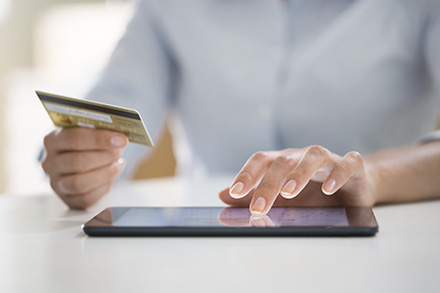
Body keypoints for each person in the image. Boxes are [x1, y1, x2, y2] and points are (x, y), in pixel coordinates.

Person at [41, 0, 440, 213]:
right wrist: (80, 160)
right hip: (206, 238)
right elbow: (117, 106)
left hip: (384, 233)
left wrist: (371, 177)